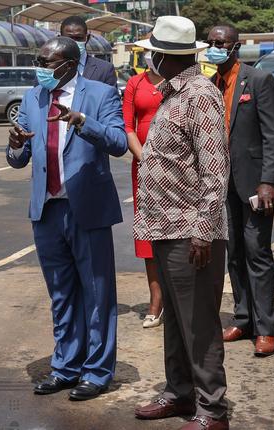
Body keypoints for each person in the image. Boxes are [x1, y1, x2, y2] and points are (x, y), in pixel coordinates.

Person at [7, 37, 127, 401]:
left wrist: (83, 122)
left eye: (48, 61)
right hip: (47, 209)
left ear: (70, 65)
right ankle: (65, 367)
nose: (41, 67)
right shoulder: (33, 97)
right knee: (61, 294)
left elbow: (119, 142)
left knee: (96, 293)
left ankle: (97, 371)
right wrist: (14, 144)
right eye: (38, 60)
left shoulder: (101, 94)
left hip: (87, 208)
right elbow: (19, 157)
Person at [132, 17, 230, 430]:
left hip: (190, 231)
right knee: (175, 318)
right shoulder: (173, 94)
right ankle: (179, 393)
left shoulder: (200, 95)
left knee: (199, 324)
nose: (148, 59)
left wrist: (203, 230)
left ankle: (212, 408)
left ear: (164, 56)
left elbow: (215, 169)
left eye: (152, 53)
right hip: (163, 226)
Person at [206, 24, 274, 357]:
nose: (214, 47)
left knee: (258, 254)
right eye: (209, 43)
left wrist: (269, 180)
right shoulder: (211, 84)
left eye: (219, 43)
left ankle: (265, 328)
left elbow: (272, 135)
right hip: (223, 185)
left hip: (255, 185)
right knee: (234, 254)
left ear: (235, 47)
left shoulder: (258, 80)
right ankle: (243, 317)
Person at [122, 47, 165, 328]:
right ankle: (156, 300)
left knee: (180, 234)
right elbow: (127, 127)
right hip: (144, 168)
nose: (153, 55)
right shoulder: (135, 83)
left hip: (180, 169)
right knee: (149, 236)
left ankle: (180, 298)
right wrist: (145, 159)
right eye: (150, 51)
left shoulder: (185, 80)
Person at [59, 16, 118, 86]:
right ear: (60, 38)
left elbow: (110, 95)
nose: (74, 43)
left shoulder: (105, 69)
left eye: (78, 38)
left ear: (87, 38)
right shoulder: (52, 68)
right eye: (69, 38)